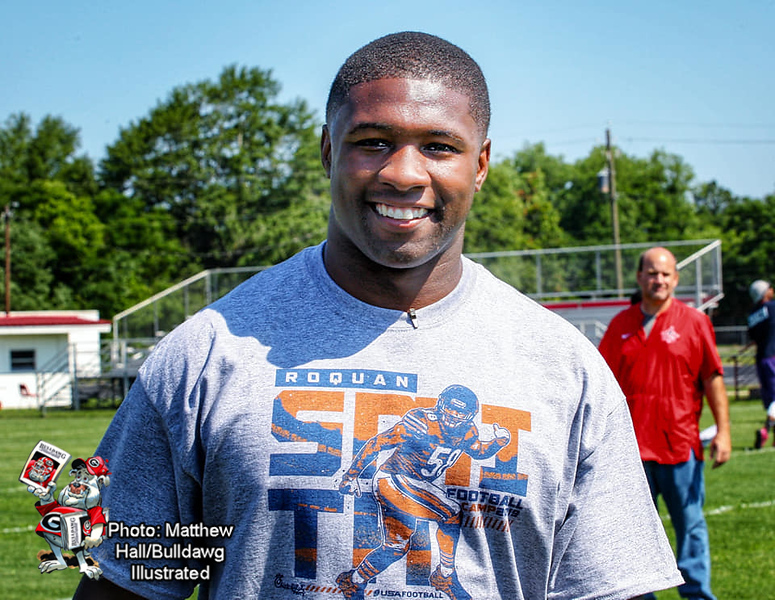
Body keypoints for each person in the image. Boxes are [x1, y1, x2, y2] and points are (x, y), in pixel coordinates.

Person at [73, 32, 682, 600]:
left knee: (413, 538)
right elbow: (130, 585)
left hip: (410, 494)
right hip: (393, 484)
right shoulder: (204, 357)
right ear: (327, 149)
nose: (403, 174)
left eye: (440, 147)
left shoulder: (564, 367)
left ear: (482, 163)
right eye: (373, 142)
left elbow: (605, 589)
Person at [599, 246, 732, 600]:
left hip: (680, 445)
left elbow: (713, 379)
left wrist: (724, 432)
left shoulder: (695, 322)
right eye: (652, 273)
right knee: (634, 536)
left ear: (675, 279)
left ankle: (698, 595)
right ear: (640, 277)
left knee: (691, 528)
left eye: (666, 274)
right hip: (630, 453)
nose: (659, 280)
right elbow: (602, 387)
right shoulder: (620, 325)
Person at [746, 279, 775, 448]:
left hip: (761, 359)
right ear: (765, 292)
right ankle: (765, 430)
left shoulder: (752, 314)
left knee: (771, 399)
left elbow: (754, 336)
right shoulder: (772, 308)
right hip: (773, 358)